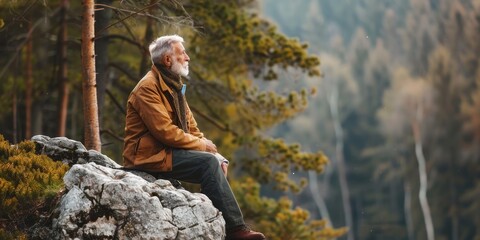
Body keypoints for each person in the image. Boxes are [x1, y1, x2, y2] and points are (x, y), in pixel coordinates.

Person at [122, 34, 266, 240]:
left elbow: (192, 128)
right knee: (207, 164)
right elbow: (165, 132)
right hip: (147, 157)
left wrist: (216, 153)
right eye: (182, 53)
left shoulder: (173, 85)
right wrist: (204, 148)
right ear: (167, 60)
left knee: (212, 162)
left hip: (166, 152)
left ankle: (213, 222)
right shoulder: (147, 88)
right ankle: (235, 231)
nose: (188, 57)